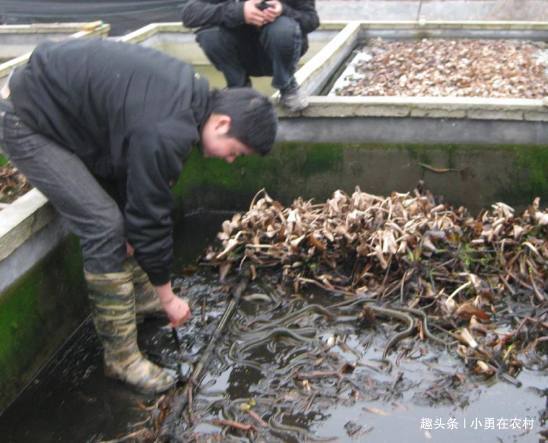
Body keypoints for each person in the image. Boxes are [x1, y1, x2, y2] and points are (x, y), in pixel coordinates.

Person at [0, 38, 277, 394]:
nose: (230, 160)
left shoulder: (190, 97)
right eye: (236, 152)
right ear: (222, 123)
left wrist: (137, 231)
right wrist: (169, 298)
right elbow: (150, 217)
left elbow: (137, 181)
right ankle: (121, 358)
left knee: (122, 218)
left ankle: (141, 297)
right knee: (102, 224)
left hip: (66, 108)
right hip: (27, 119)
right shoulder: (167, 129)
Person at [182, 0, 319, 112]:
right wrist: (240, 11)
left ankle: (288, 87)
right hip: (241, 53)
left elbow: (312, 20)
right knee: (209, 34)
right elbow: (189, 14)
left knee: (282, 28)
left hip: (278, 50)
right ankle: (239, 89)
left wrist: (283, 10)